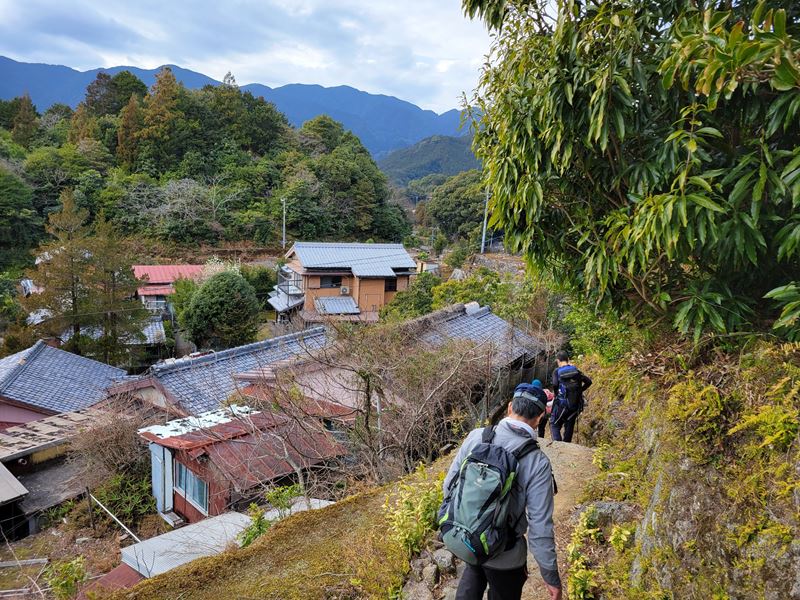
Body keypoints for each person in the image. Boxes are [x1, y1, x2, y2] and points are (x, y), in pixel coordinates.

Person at [442, 384, 562, 600]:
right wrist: (550, 575)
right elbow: (540, 526)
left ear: (509, 407)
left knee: (472, 575)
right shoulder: (537, 462)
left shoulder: (476, 437)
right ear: (539, 418)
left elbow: (448, 486)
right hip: (506, 555)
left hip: (470, 540)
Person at [550, 351, 592, 443]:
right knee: (569, 425)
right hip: (575, 404)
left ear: (558, 361)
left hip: (561, 404)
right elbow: (589, 382)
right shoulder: (576, 371)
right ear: (568, 359)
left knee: (554, 424)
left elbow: (555, 384)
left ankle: (558, 445)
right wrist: (580, 391)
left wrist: (557, 395)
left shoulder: (557, 371)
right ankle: (566, 445)